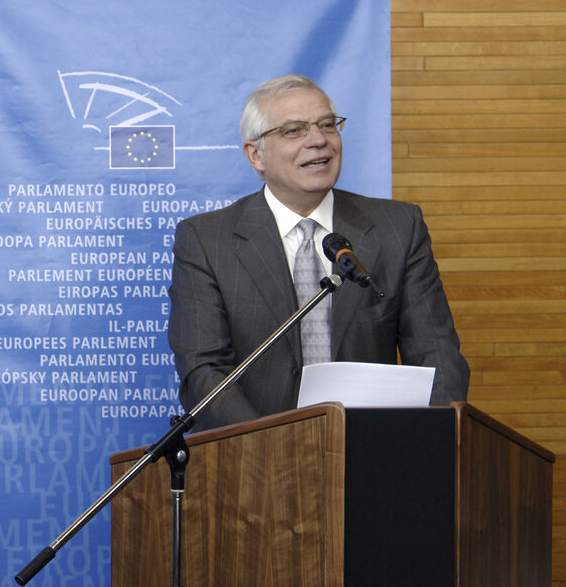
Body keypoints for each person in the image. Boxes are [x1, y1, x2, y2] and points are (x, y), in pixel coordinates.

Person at [168, 74, 469, 430]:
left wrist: (431, 439)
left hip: (374, 449)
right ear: (255, 154)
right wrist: (271, 446)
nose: (319, 140)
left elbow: (437, 354)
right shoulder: (207, 240)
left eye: (328, 125)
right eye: (294, 130)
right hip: (256, 461)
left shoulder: (398, 227)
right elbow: (204, 370)